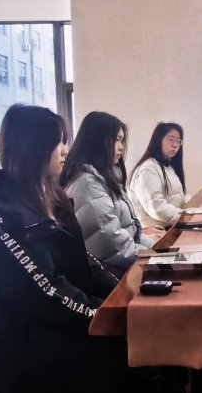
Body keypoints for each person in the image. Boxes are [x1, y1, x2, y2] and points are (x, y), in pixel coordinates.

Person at [0, 105, 137, 392]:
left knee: (145, 342)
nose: (65, 151)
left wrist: (123, 295)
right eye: (59, 142)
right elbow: (46, 294)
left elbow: (83, 259)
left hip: (50, 327)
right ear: (33, 148)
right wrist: (108, 316)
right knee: (134, 355)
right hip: (19, 351)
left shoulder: (51, 197)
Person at [60, 111, 159, 279]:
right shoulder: (88, 184)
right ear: (97, 141)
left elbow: (130, 235)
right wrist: (156, 257)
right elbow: (112, 245)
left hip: (124, 264)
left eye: (122, 140)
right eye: (116, 140)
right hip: (113, 275)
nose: (121, 147)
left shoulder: (105, 177)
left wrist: (158, 250)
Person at [129, 122, 190, 229]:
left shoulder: (169, 167)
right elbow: (157, 207)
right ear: (158, 140)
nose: (175, 145)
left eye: (178, 141)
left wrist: (194, 209)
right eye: (170, 139)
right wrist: (187, 218)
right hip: (158, 232)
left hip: (173, 225)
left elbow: (183, 195)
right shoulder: (147, 169)